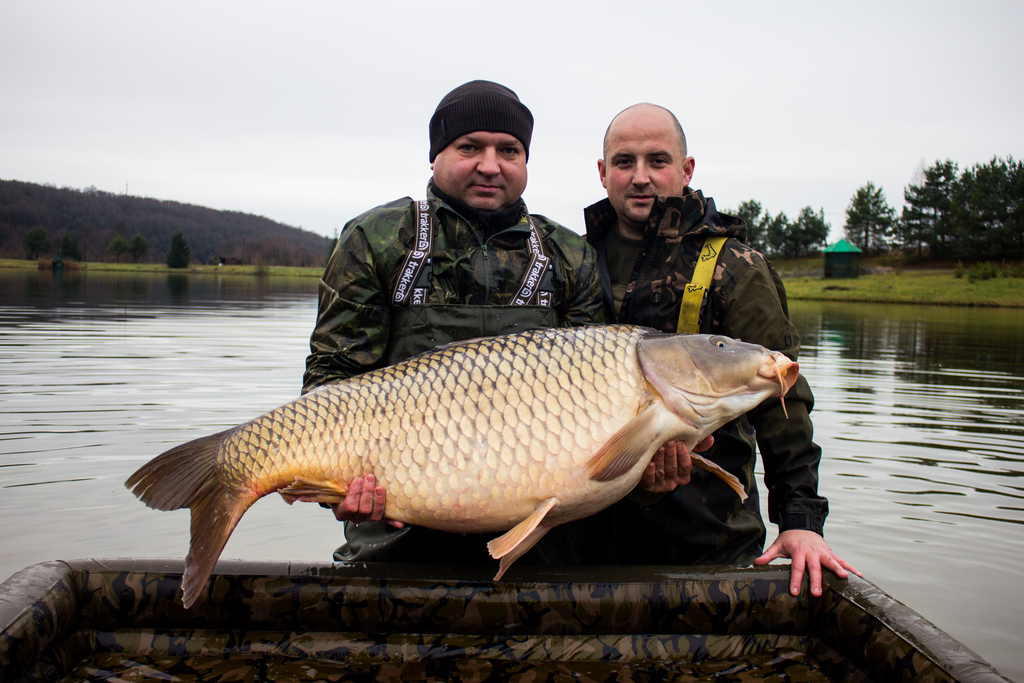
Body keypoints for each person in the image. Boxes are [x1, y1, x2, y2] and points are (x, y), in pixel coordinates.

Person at [302, 80, 607, 563]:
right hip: (396, 534)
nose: (490, 165)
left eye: (509, 150)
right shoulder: (377, 239)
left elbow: (600, 399)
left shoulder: (569, 255)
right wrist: (335, 489)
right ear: (436, 156)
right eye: (470, 147)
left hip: (541, 541)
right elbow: (329, 385)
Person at [580, 102, 861, 596]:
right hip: (585, 531)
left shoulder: (734, 264)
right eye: (624, 162)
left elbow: (784, 394)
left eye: (657, 160)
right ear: (603, 173)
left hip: (707, 535)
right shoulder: (571, 259)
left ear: (686, 169)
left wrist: (800, 521)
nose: (641, 177)